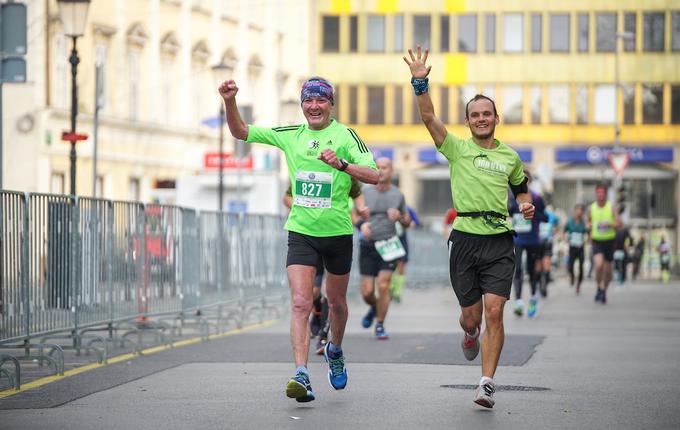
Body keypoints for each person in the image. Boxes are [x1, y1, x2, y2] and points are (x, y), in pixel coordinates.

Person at [219, 76, 378, 403]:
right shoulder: (291, 135)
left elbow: (375, 175)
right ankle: (301, 374)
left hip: (337, 233)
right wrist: (230, 101)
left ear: (331, 105)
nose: (315, 106)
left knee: (336, 303)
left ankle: (335, 348)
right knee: (300, 302)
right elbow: (241, 132)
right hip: (302, 232)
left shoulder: (345, 135)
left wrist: (343, 164)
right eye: (309, 101)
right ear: (302, 104)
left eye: (321, 101)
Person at [405, 46, 535, 409]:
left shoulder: (510, 156)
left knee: (495, 311)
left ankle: (487, 382)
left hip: (498, 241)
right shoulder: (457, 149)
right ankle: (468, 332)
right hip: (464, 240)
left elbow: (521, 186)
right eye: (474, 114)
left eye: (486, 113)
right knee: (472, 316)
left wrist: (524, 203)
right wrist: (420, 81)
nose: (481, 118)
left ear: (497, 118)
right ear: (468, 122)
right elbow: (429, 117)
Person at [283, 178, 367, 354]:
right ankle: (318, 310)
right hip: (308, 235)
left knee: (334, 297)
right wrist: (306, 210)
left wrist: (362, 212)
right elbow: (287, 197)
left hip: (335, 236)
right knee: (311, 293)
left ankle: (324, 336)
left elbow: (359, 199)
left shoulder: (345, 172)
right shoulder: (306, 168)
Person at [356, 157, 411, 340]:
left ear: (391, 170)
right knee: (367, 292)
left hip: (389, 244)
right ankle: (374, 306)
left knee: (384, 284)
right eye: (377, 167)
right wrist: (361, 225)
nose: (380, 170)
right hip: (368, 245)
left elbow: (408, 222)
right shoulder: (365, 192)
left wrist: (400, 218)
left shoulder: (398, 195)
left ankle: (380, 324)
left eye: (384, 167)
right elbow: (352, 216)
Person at [509, 171, 547, 318]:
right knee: (517, 269)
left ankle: (532, 299)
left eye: (525, 180)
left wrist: (533, 211)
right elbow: (509, 213)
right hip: (518, 239)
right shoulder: (513, 198)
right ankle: (518, 302)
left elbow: (545, 218)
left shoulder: (537, 198)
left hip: (533, 240)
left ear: (530, 181)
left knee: (532, 271)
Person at [586, 183, 621, 304]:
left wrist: (610, 224)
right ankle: (598, 288)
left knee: (608, 272)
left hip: (609, 241)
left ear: (606, 195)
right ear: (596, 194)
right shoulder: (591, 208)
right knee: (598, 265)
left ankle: (604, 291)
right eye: (598, 193)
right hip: (597, 241)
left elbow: (619, 224)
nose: (600, 195)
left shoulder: (612, 208)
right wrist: (588, 227)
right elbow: (587, 222)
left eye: (603, 193)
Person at [391, 205, 421, 303]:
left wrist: (411, 223)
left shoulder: (406, 208)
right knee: (391, 266)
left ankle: (397, 292)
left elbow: (417, 222)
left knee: (401, 266)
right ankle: (391, 288)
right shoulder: (388, 207)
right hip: (390, 241)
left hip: (402, 241)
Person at [563, 204, 587, 294]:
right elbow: (564, 231)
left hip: (580, 247)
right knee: (570, 266)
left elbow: (587, 233)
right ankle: (572, 276)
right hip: (572, 247)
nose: (579, 212)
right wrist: (565, 239)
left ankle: (578, 285)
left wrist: (586, 240)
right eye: (578, 210)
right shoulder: (570, 222)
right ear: (575, 211)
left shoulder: (584, 223)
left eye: (581, 211)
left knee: (581, 266)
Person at [538, 204, 559, 297]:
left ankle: (542, 286)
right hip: (542, 242)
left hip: (543, 242)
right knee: (544, 266)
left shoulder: (537, 213)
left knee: (542, 266)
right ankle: (543, 286)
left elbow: (556, 226)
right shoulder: (551, 214)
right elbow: (556, 226)